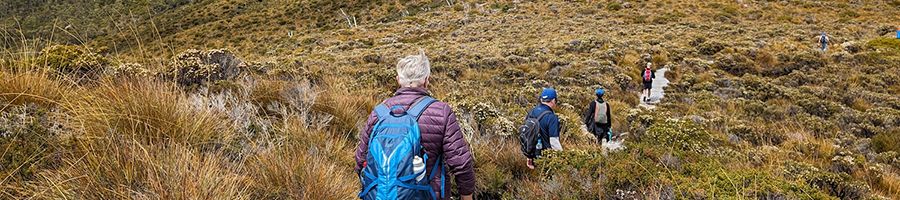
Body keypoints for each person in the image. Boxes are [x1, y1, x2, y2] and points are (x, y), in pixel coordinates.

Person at [355, 51, 475, 200]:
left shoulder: (379, 113)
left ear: (398, 80)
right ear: (426, 80)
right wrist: (466, 196)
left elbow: (361, 160)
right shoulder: (442, 111)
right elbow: (461, 163)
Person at [524, 88, 562, 169]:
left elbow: (527, 133)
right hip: (546, 159)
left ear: (541, 99)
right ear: (554, 100)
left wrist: (529, 156)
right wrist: (562, 159)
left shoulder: (531, 111)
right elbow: (554, 142)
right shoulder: (552, 117)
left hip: (533, 156)